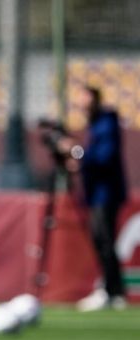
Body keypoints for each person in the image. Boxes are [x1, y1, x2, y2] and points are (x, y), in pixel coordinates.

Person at [72, 86, 128, 312]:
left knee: (104, 240)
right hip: (96, 193)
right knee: (99, 240)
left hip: (106, 192)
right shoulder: (95, 124)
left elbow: (104, 156)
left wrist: (79, 155)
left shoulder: (106, 122)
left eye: (85, 98)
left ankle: (112, 290)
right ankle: (111, 288)